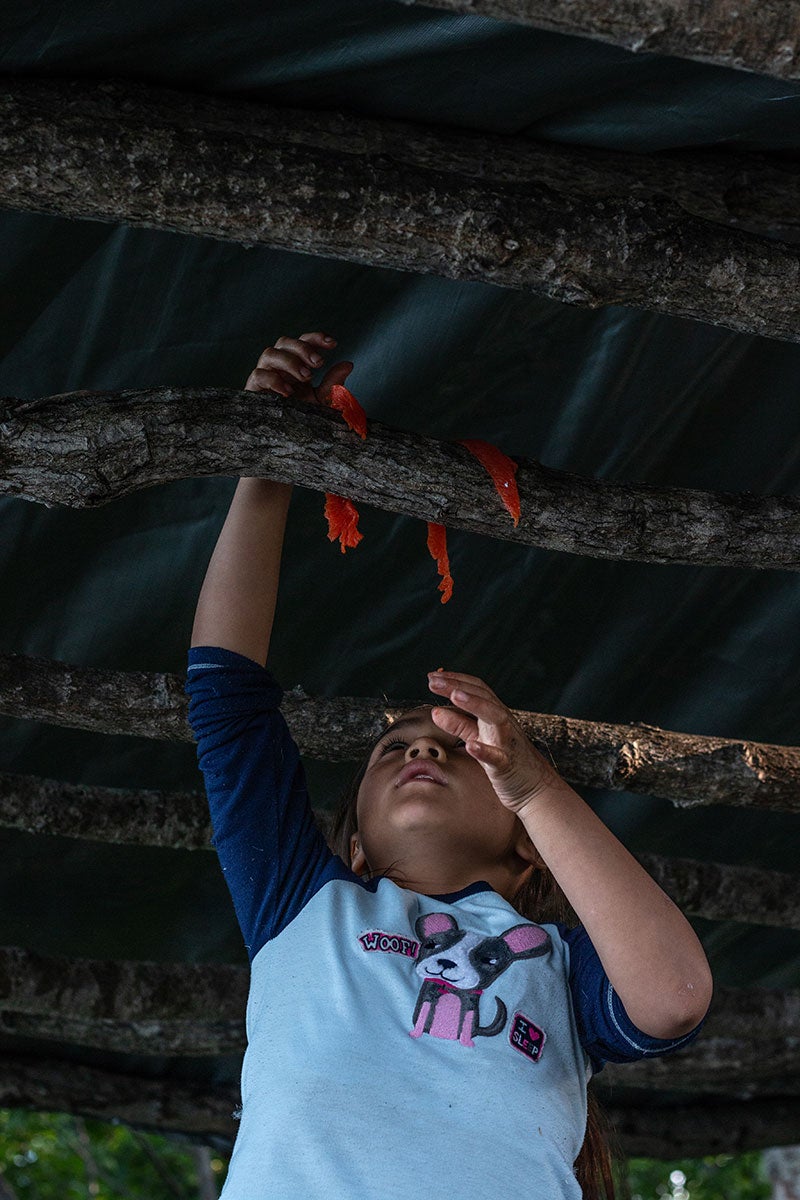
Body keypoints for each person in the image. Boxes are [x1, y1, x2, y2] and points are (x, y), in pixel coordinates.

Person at [185, 330, 713, 1200]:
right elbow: (226, 702)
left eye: (462, 750)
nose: (424, 747)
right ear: (353, 845)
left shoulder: (560, 964)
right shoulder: (302, 902)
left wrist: (539, 782)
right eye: (393, 750)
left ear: (528, 846)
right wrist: (264, 467)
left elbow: (675, 996)